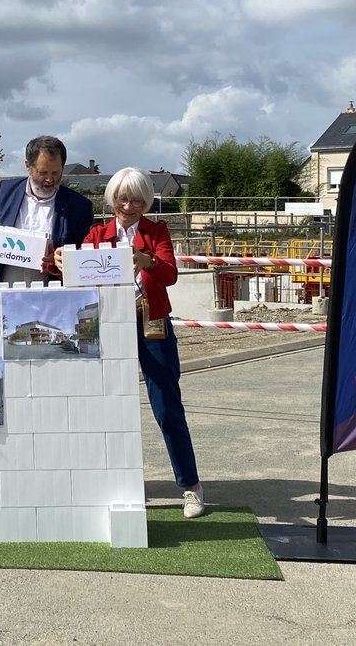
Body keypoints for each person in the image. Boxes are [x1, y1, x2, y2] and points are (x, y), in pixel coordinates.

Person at [55, 166, 205, 519]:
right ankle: (107, 482)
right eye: (123, 198)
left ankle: (191, 486)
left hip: (151, 322)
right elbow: (77, 276)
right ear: (113, 199)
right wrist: (60, 260)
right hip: (107, 323)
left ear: (147, 202)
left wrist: (146, 260)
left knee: (167, 407)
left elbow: (169, 273)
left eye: (137, 199)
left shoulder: (157, 231)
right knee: (103, 406)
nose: (129, 205)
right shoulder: (96, 234)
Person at [0, 135, 94, 284]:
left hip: (52, 297)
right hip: (1, 291)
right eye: (43, 173)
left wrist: (59, 260)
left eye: (56, 173)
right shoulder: (4, 192)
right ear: (28, 166)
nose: (50, 179)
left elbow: (86, 255)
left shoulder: (79, 206)